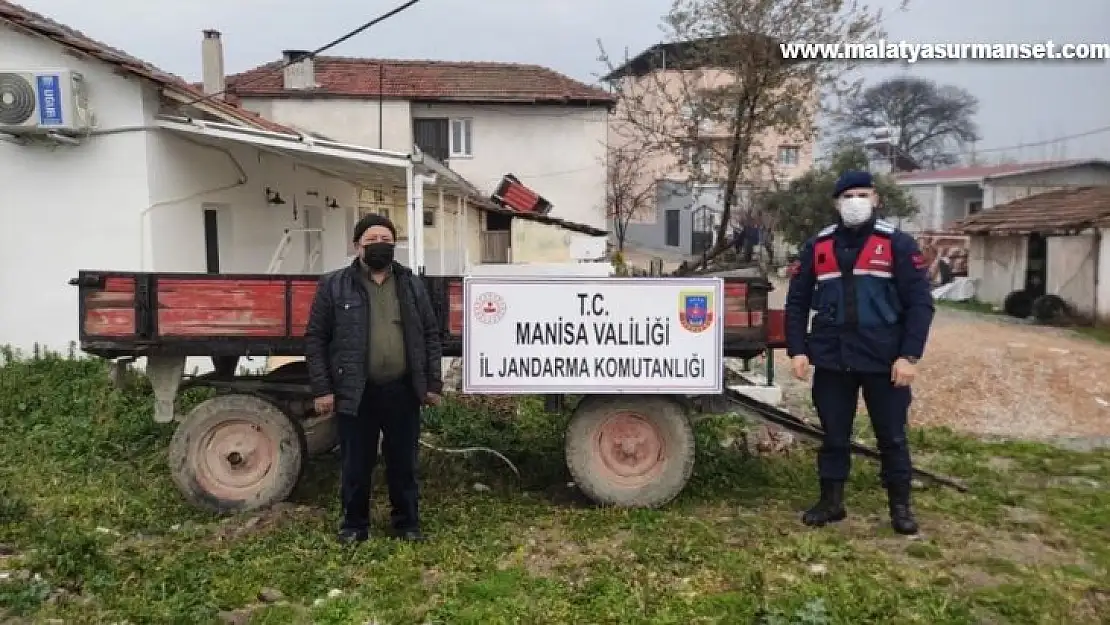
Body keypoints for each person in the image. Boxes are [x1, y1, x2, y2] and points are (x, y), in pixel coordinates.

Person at [784, 170, 935, 535]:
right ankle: (831, 502)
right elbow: (797, 302)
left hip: (885, 359)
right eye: (848, 195)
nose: (855, 202)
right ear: (837, 202)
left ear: (876, 199)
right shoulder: (818, 246)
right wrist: (798, 349)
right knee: (834, 435)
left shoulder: (897, 244)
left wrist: (909, 356)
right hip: (833, 358)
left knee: (892, 436)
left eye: (862, 194)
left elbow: (920, 304)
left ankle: (900, 506)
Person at [304, 214, 444, 544]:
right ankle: (354, 526)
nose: (380, 245)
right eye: (372, 240)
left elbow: (429, 334)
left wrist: (433, 383)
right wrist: (323, 388)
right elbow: (315, 338)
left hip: (402, 390)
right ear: (357, 246)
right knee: (356, 464)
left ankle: (406, 525)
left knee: (403, 463)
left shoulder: (411, 285)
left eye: (386, 240)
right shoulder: (334, 285)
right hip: (357, 392)